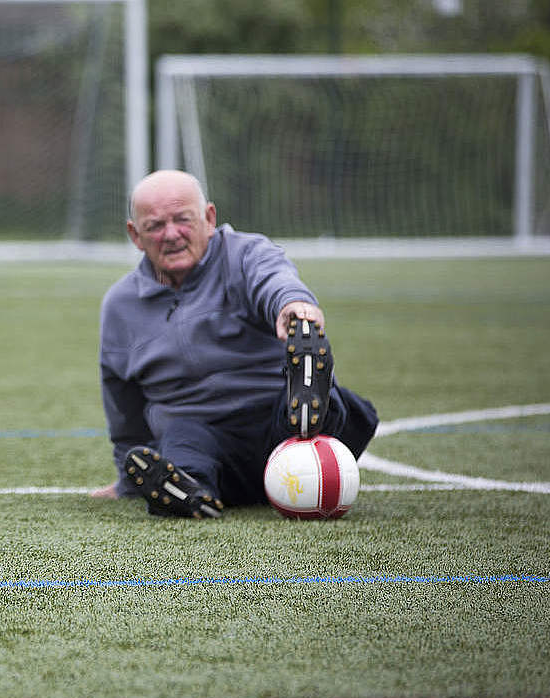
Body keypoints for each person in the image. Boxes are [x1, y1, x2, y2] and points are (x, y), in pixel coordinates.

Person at [90, 170, 378, 518]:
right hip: (207, 439)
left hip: (279, 421)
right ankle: (188, 490)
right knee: (181, 438)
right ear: (135, 235)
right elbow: (124, 408)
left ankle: (311, 404)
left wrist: (293, 305)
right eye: (155, 226)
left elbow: (275, 280)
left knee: (321, 406)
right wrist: (127, 478)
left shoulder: (246, 254)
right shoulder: (120, 305)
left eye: (183, 220)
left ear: (209, 218)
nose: (171, 235)